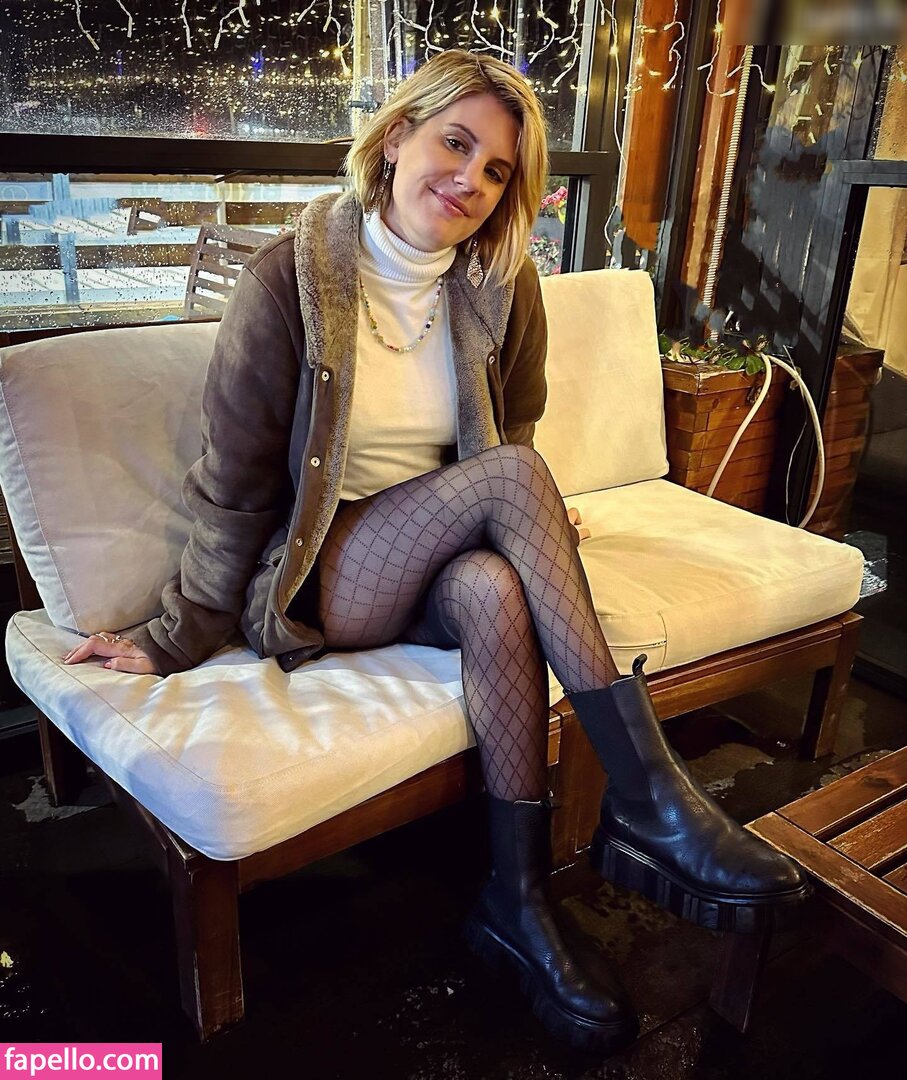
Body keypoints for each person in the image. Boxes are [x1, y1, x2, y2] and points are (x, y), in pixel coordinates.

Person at [63, 50, 807, 1054]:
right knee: (512, 480)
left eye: (496, 170)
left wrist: (516, 520)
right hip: (325, 574)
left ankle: (517, 902)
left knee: (496, 586)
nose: (469, 180)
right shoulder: (289, 279)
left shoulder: (500, 282)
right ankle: (644, 797)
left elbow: (513, 426)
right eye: (454, 143)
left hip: (438, 559)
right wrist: (172, 635)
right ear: (395, 138)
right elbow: (234, 483)